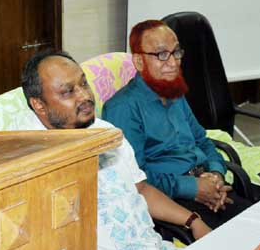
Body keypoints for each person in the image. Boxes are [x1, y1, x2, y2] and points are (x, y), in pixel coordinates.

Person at [0, 50, 211, 250]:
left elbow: (140, 189)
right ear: (39, 105)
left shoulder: (106, 131)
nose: (85, 95)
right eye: (68, 92)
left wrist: (192, 221)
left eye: (83, 83)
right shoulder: (23, 158)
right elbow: (18, 242)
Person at [103, 20, 251, 229]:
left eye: (177, 52)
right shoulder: (123, 108)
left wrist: (216, 175)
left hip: (207, 185)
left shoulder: (174, 93)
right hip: (173, 202)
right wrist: (193, 188)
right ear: (138, 61)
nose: (173, 63)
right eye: (162, 54)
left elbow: (203, 141)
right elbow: (135, 178)